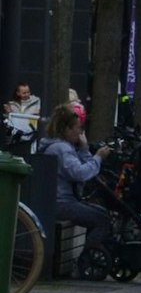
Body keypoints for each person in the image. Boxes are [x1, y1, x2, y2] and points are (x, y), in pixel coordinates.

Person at [40, 104, 114, 254]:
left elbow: (84, 167)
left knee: (101, 212)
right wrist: (98, 157)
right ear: (67, 129)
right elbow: (80, 173)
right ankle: (87, 258)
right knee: (102, 220)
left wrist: (85, 148)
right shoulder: (62, 149)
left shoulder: (62, 146)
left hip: (63, 200)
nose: (80, 132)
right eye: (78, 128)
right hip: (62, 202)